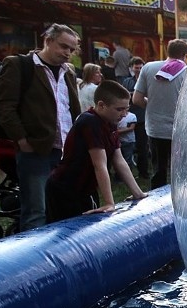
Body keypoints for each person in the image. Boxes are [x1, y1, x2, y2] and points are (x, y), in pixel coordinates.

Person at [0, 23, 82, 231]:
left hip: (65, 151)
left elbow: (70, 107)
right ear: (48, 41)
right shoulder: (19, 65)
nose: (67, 53)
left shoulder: (68, 71)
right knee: (36, 210)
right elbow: (4, 106)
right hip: (35, 149)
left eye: (72, 49)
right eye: (63, 46)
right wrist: (22, 140)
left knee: (63, 206)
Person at [45, 80, 147, 222]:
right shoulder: (90, 121)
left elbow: (119, 160)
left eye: (126, 109)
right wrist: (109, 202)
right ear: (101, 105)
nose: (124, 114)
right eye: (119, 109)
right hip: (66, 188)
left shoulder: (110, 122)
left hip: (85, 188)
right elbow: (99, 164)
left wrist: (138, 193)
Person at [133, 38, 187, 189]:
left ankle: (156, 206)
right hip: (180, 131)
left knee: (158, 170)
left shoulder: (148, 68)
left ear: (167, 52)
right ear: (185, 55)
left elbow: (137, 99)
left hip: (155, 129)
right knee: (181, 173)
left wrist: (151, 104)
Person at [119, 57, 150, 178]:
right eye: (136, 67)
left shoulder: (147, 80)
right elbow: (123, 95)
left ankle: (143, 172)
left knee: (142, 147)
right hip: (129, 117)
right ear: (132, 68)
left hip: (142, 118)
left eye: (140, 67)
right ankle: (126, 173)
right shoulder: (127, 81)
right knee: (127, 146)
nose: (138, 69)